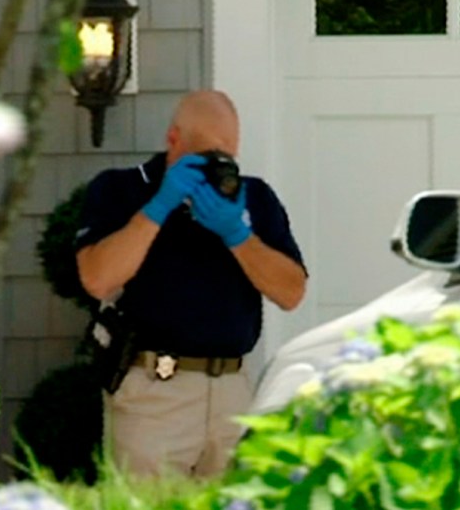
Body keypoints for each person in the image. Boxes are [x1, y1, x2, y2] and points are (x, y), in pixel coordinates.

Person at [74, 89, 307, 478]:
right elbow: (97, 279)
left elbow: (291, 292)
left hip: (232, 391)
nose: (219, 167)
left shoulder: (256, 198)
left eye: (227, 157)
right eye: (208, 156)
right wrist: (159, 207)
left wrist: (237, 234)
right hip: (153, 391)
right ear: (173, 141)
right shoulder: (120, 189)